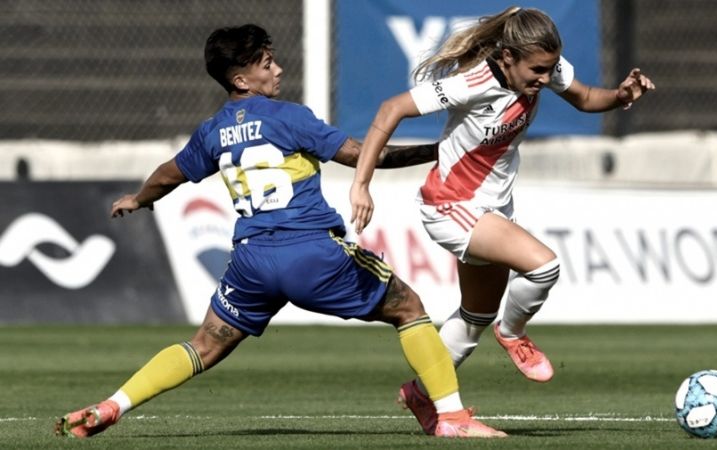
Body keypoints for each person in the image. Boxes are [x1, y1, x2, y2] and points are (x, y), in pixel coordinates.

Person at [55, 24, 506, 439]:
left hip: (251, 260)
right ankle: (451, 417)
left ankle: (113, 406)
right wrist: (442, 150)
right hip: (310, 251)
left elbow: (169, 173)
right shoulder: (288, 116)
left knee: (204, 345)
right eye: (267, 64)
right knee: (408, 308)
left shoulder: (213, 132)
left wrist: (140, 199)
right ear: (242, 81)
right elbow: (363, 156)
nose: (278, 69)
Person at [349, 6, 655, 434]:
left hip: (490, 208)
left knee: (474, 318)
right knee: (543, 265)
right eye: (537, 71)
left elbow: (586, 98)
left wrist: (620, 96)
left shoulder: (543, 64)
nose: (545, 80)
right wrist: (362, 184)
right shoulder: (474, 82)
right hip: (451, 205)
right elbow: (390, 109)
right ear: (508, 57)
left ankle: (423, 394)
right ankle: (512, 334)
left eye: (550, 70)